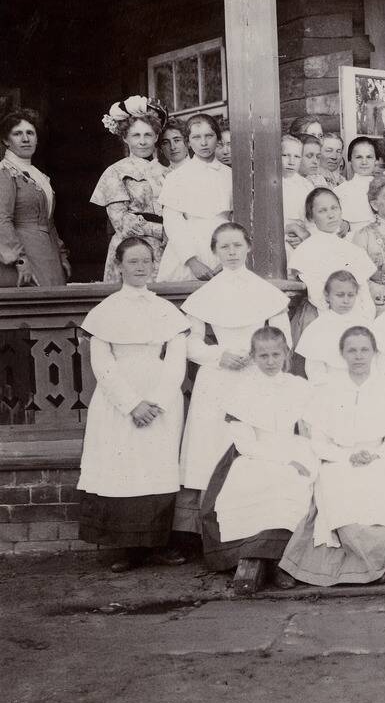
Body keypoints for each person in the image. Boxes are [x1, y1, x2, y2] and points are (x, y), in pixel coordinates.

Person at [77, 236, 189, 572]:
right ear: (119, 266)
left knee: (157, 468)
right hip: (118, 403)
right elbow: (103, 365)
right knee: (122, 468)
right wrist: (132, 404)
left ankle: (157, 545)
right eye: (133, 262)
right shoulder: (105, 312)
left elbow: (176, 363)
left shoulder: (165, 310)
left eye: (145, 261)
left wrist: (154, 402)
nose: (140, 268)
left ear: (153, 265)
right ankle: (124, 549)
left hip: (160, 401)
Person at [176, 223, 291, 536]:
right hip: (218, 379)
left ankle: (259, 528)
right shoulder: (205, 296)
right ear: (215, 251)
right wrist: (219, 355)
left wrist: (261, 357)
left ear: (248, 247)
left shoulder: (268, 294)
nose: (231, 252)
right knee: (214, 447)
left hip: (258, 375)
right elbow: (191, 343)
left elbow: (284, 339)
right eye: (224, 247)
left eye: (237, 246)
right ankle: (211, 534)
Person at [280, 327, 385, 586]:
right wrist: (346, 456)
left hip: (379, 456)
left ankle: (384, 553)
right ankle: (365, 564)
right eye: (352, 350)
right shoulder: (328, 390)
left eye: (365, 349)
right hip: (339, 458)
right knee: (335, 479)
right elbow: (319, 442)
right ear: (342, 354)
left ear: (374, 353)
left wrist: (375, 454)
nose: (359, 356)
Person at [201, 326, 314, 591]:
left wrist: (300, 457)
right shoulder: (243, 389)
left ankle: (283, 563)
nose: (271, 361)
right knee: (261, 479)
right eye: (264, 356)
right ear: (253, 356)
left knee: (298, 481)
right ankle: (257, 558)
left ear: (286, 353)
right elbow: (245, 442)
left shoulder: (298, 386)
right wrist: (283, 461)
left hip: (293, 447)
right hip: (254, 452)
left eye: (276, 354)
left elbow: (308, 428)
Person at [92, 96, 170, 282]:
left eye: (148, 135)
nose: (142, 142)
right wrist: (162, 231)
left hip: (165, 251)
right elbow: (121, 222)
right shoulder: (116, 172)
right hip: (130, 249)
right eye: (136, 135)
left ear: (156, 137)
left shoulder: (167, 173)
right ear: (125, 138)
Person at [288, 188, 378, 333]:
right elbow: (316, 293)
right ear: (311, 217)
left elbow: (363, 290)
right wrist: (338, 318)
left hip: (356, 316)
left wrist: (365, 318)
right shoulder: (307, 249)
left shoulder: (352, 249)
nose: (330, 215)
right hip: (323, 316)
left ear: (341, 211)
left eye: (334, 208)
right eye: (322, 211)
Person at [157, 113, 232, 282]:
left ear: (218, 139)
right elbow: (172, 221)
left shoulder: (230, 175)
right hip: (189, 249)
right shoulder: (177, 177)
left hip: (224, 246)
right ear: (188, 141)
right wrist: (192, 261)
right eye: (196, 137)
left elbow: (238, 218)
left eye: (209, 136)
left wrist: (228, 258)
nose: (204, 143)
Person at [0, 109, 70, 286]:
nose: (25, 139)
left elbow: (49, 221)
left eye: (30, 133)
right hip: (22, 256)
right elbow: (2, 219)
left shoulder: (38, 175)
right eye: (17, 134)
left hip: (48, 254)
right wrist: (19, 260)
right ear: (6, 140)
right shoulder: (5, 173)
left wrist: (61, 255)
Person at [295, 271, 372, 384]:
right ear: (327, 295)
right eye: (340, 295)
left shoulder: (364, 323)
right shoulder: (319, 327)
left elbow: (374, 360)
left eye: (350, 295)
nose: (346, 300)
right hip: (332, 384)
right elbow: (315, 370)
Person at [335, 136, 384, 232]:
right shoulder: (341, 191)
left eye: (369, 157)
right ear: (350, 161)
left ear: (376, 161)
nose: (364, 162)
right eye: (358, 157)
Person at [281, 134, 314, 252]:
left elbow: (312, 219)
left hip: (302, 240)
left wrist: (306, 236)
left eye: (296, 156)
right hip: (278, 238)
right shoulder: (270, 185)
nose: (291, 161)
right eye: (285, 155)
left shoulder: (307, 186)